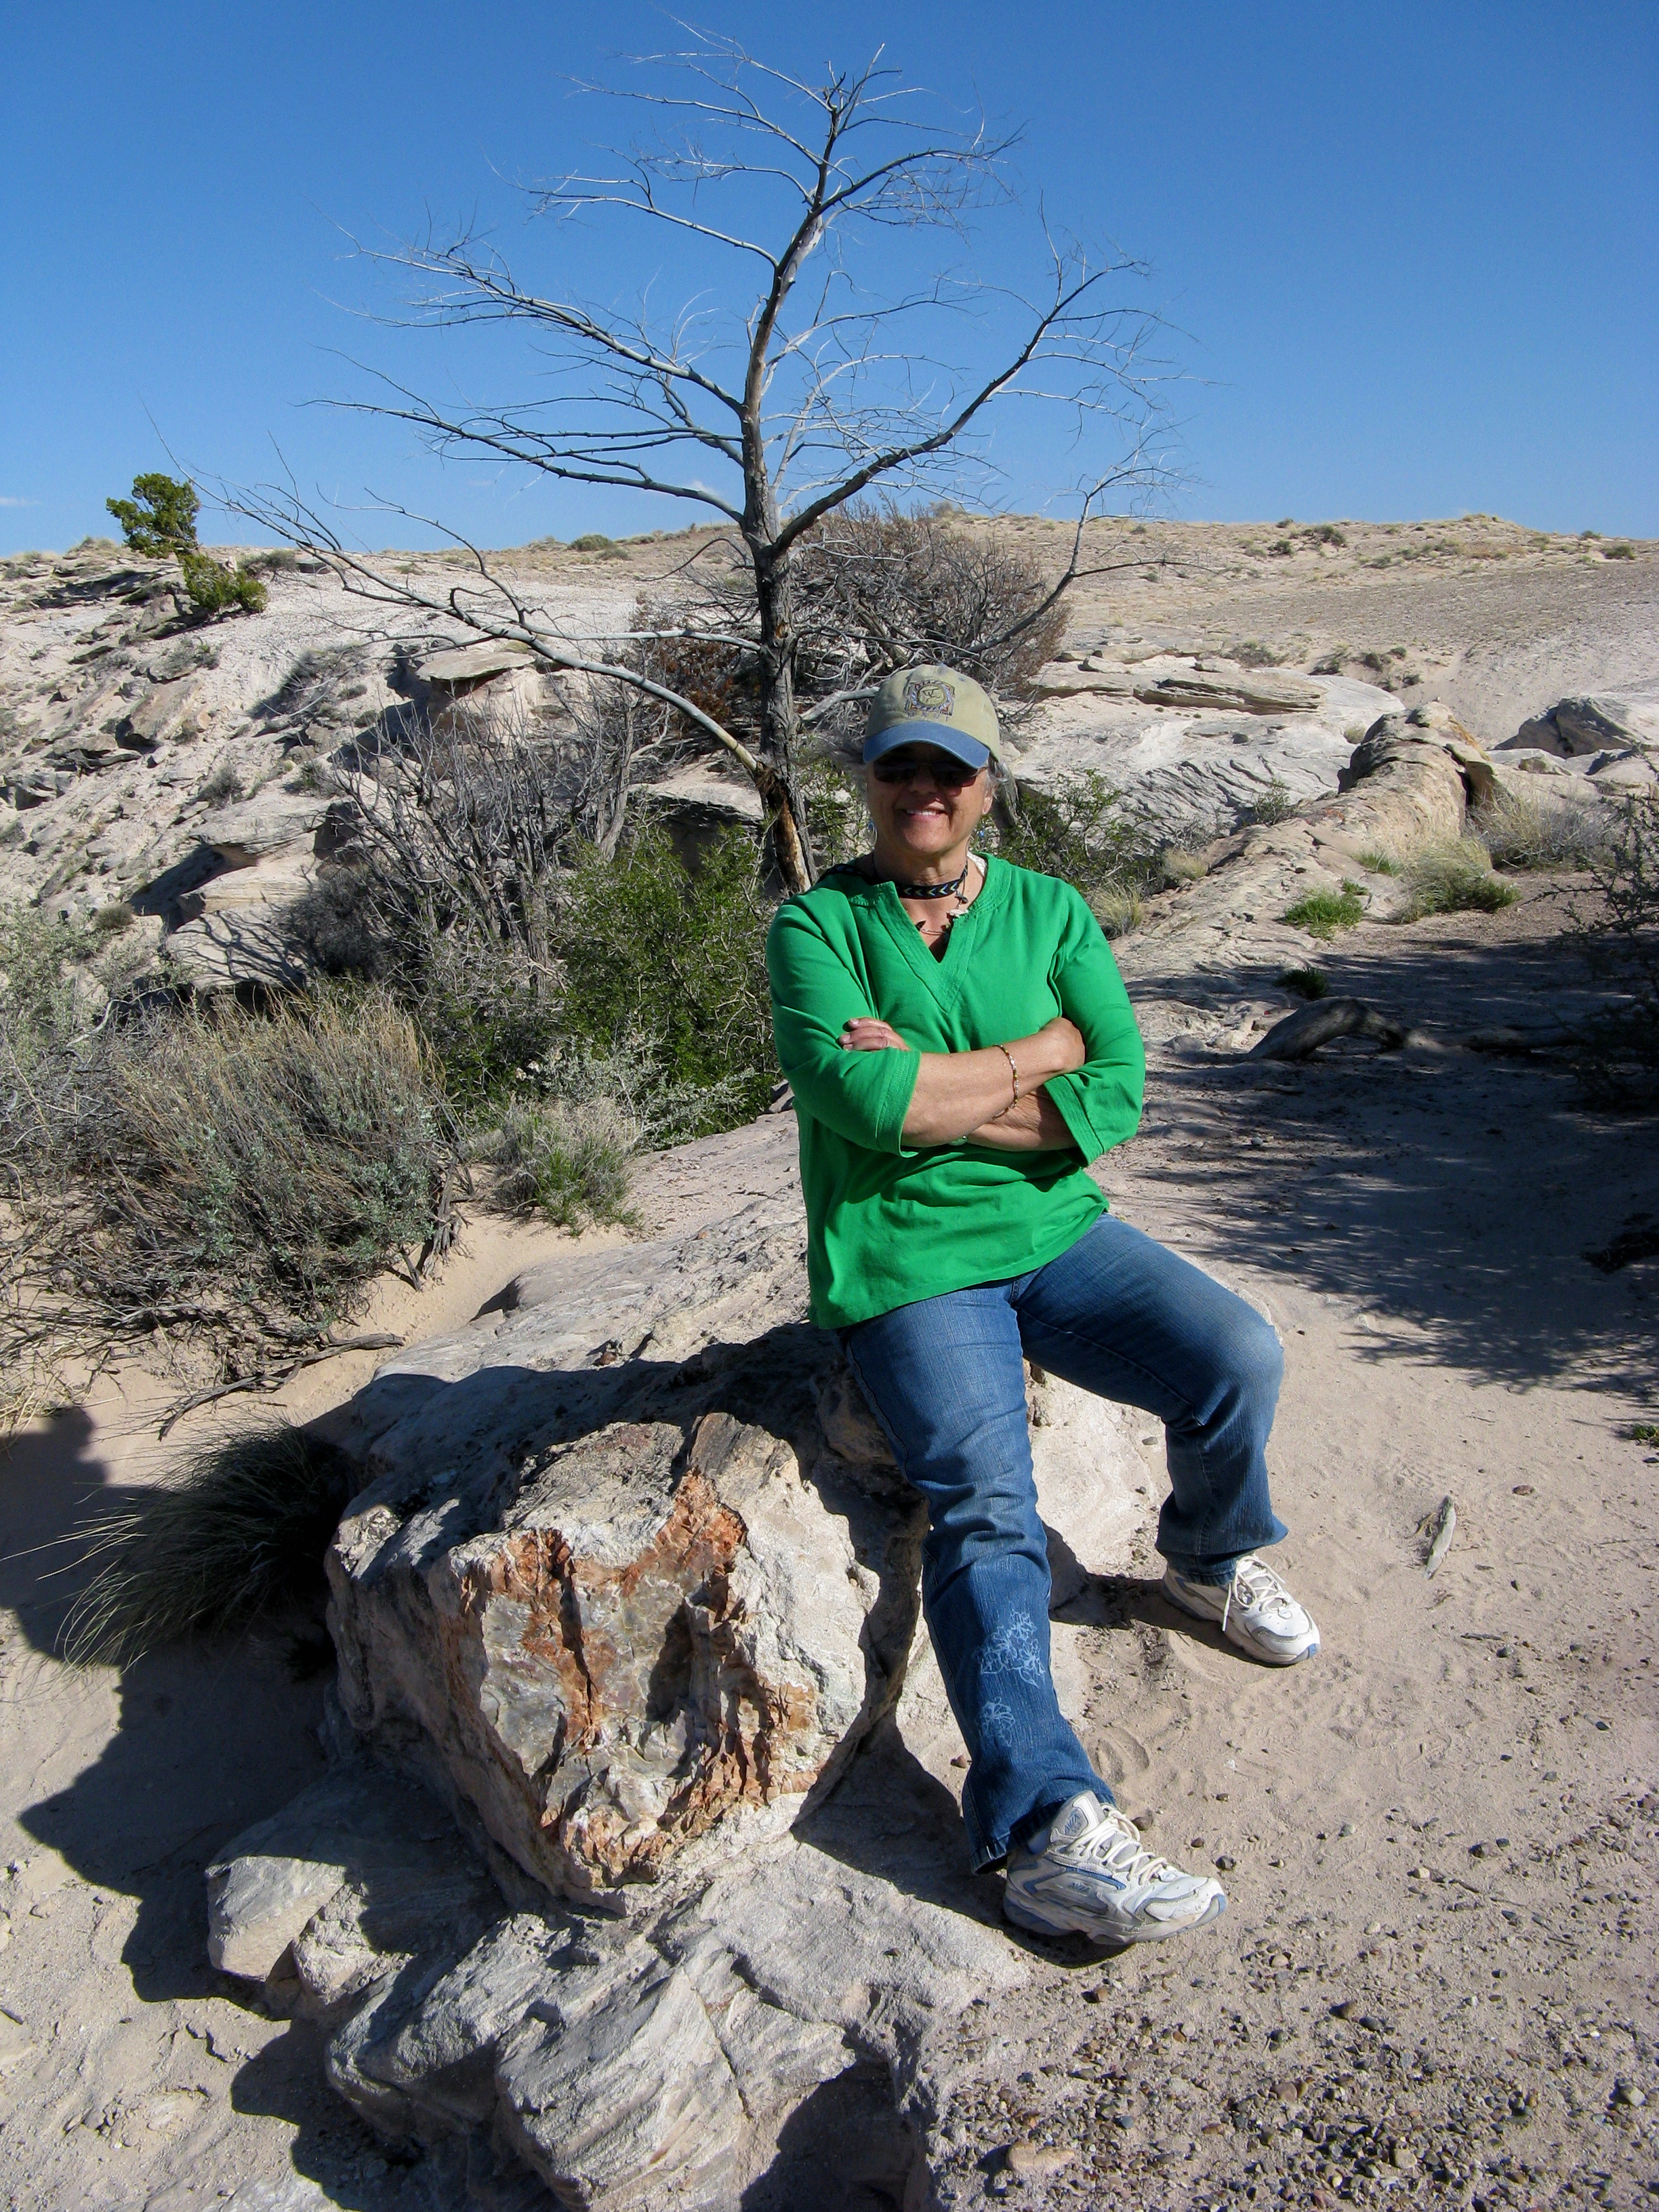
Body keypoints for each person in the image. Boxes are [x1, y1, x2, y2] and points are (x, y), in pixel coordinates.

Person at [766, 665, 1319, 1947]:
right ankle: (1044, 1830)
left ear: (986, 787)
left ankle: (1208, 1558)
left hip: (1058, 1234)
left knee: (1236, 1355)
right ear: (870, 783)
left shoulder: (1050, 908)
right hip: (908, 1258)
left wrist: (942, 1084)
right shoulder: (819, 927)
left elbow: (1114, 1093)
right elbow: (864, 1106)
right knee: (986, 1503)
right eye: (901, 766)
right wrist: (1036, 1056)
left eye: (949, 770)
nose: (924, 789)